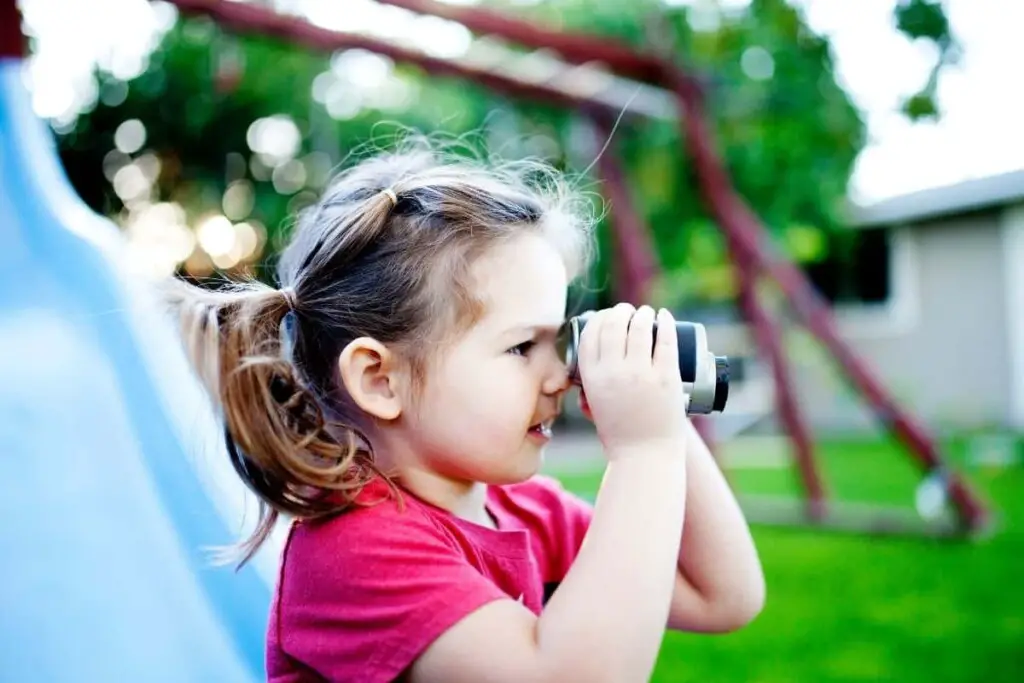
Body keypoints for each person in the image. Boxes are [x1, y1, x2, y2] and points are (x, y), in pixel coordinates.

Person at [164, 140, 765, 683]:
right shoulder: (351, 551)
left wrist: (661, 412)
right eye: (522, 347)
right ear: (380, 380)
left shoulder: (528, 514)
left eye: (556, 343)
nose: (558, 375)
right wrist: (643, 452)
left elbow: (725, 595)